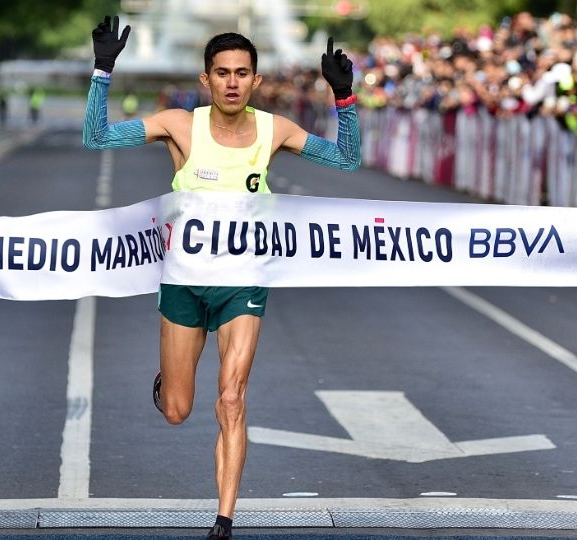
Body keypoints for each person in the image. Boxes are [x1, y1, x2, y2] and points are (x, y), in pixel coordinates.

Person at [82, 15, 360, 540]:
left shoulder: (274, 129)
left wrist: (342, 97)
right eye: (222, 72)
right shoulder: (180, 125)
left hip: (243, 282)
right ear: (205, 81)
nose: (232, 81)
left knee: (232, 396)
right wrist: (102, 69)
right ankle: (168, 380)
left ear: (256, 81)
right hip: (184, 283)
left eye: (242, 72)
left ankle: (224, 518)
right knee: (178, 411)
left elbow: (347, 160)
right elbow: (97, 138)